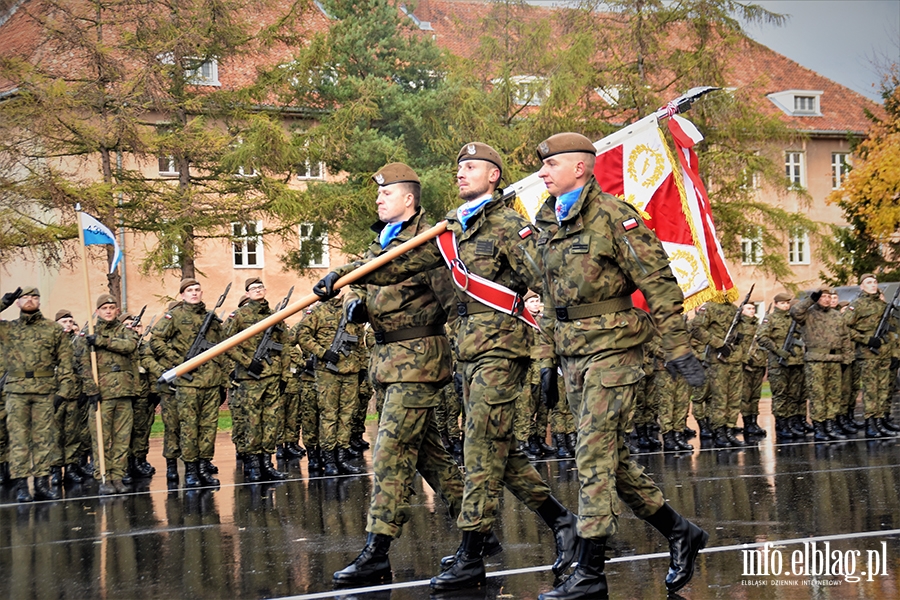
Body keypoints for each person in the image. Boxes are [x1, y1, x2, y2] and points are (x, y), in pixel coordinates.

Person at [314, 143, 579, 592]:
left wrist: (548, 353)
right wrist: (343, 276)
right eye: (458, 167)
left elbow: (547, 285)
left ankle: (432, 552)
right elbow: (399, 264)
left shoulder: (510, 227)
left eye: (471, 167)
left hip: (496, 350)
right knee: (491, 451)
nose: (460, 173)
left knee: (463, 449)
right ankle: (559, 522)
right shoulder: (455, 228)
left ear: (495, 175)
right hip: (468, 354)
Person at [531, 132, 708, 598]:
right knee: (613, 459)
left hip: (615, 349)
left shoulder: (614, 217)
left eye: (552, 165)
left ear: (582, 168)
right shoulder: (548, 220)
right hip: (572, 354)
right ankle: (679, 531)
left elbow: (660, 284)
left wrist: (678, 348)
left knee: (591, 452)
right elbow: (550, 299)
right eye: (542, 166)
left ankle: (590, 571)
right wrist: (546, 360)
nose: (543, 173)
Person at [329, 162, 467, 586]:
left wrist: (465, 362)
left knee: (389, 452)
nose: (378, 199)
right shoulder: (381, 243)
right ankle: (479, 529)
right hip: (388, 363)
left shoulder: (428, 244)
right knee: (429, 456)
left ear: (408, 199)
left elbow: (456, 301)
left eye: (385, 194)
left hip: (419, 362)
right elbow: (368, 282)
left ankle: (377, 548)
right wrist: (355, 299)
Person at [0, 287, 76, 502]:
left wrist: (63, 391)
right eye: (25, 297)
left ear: (40, 302)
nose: (30, 300)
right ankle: (22, 484)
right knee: (19, 439)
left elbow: (66, 362)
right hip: (16, 391)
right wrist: (2, 303)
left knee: (44, 439)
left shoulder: (52, 329)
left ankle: (42, 483)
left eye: (34, 297)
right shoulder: (8, 329)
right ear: (18, 302)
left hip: (44, 391)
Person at [150, 279, 224, 488]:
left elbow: (222, 346)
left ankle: (203, 467)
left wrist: (222, 380)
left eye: (197, 290)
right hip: (188, 383)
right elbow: (156, 340)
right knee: (189, 428)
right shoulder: (174, 316)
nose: (194, 293)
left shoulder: (211, 318)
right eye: (189, 290)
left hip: (210, 381)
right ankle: (191, 470)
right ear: (182, 295)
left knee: (208, 428)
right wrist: (179, 363)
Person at [224, 277, 288, 482]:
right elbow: (225, 342)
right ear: (247, 293)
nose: (258, 290)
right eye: (253, 289)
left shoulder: (275, 316)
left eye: (260, 287)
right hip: (250, 378)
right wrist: (246, 361)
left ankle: (267, 463)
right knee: (252, 421)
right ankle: (253, 465)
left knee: (271, 420)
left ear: (265, 290)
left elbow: (285, 346)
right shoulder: (239, 316)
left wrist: (284, 375)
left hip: (272, 375)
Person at [296, 294, 365, 476]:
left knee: (347, 415)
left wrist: (363, 367)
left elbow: (359, 342)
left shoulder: (350, 309)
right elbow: (302, 335)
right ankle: (329, 458)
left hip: (351, 371)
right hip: (328, 372)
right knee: (329, 415)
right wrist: (322, 353)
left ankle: (341, 457)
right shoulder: (317, 311)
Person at [79, 294, 139, 495]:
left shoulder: (124, 331)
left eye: (112, 307)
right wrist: (91, 390)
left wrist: (102, 341)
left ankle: (118, 476)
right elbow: (84, 365)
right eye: (104, 308)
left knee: (122, 438)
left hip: (123, 391)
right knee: (101, 438)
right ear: (97, 311)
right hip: (102, 393)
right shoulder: (89, 334)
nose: (108, 311)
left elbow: (129, 346)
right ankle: (103, 476)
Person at [790, 286, 852, 441]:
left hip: (834, 360)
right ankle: (819, 427)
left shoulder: (837, 316)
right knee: (818, 395)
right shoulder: (808, 314)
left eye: (829, 296)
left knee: (833, 395)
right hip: (816, 359)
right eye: (823, 296)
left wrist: (846, 358)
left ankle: (829, 425)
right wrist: (810, 299)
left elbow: (845, 338)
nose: (827, 299)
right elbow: (794, 311)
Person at [843, 274, 896, 438]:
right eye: (869, 283)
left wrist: (891, 346)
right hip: (867, 354)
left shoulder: (882, 305)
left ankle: (879, 421)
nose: (873, 285)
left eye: (874, 282)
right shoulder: (857, 305)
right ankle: (870, 424)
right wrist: (866, 339)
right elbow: (844, 328)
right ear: (861, 286)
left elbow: (893, 329)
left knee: (882, 389)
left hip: (884, 353)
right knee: (871, 390)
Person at [757, 292, 806, 440]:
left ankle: (791, 422)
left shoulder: (794, 319)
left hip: (795, 361)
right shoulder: (770, 319)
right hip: (778, 363)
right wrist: (778, 350)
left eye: (787, 303)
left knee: (793, 394)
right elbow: (761, 337)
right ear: (776, 304)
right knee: (780, 394)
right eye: (783, 303)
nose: (786, 305)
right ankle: (781, 424)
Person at [739, 303, 768, 437]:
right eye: (748, 309)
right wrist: (744, 359)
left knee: (755, 396)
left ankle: (754, 421)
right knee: (746, 396)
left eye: (752, 308)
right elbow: (736, 345)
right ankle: (747, 423)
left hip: (758, 364)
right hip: (745, 366)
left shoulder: (758, 326)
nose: (752, 311)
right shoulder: (739, 326)